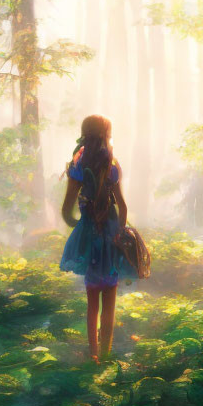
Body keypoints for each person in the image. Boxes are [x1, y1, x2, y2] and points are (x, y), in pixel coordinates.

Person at [59, 114, 139, 362]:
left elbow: (66, 210)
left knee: (92, 298)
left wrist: (80, 225)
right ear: (105, 135)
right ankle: (105, 353)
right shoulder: (111, 165)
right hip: (111, 237)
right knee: (110, 297)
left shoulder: (78, 167)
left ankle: (93, 354)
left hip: (90, 237)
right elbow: (123, 208)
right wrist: (120, 232)